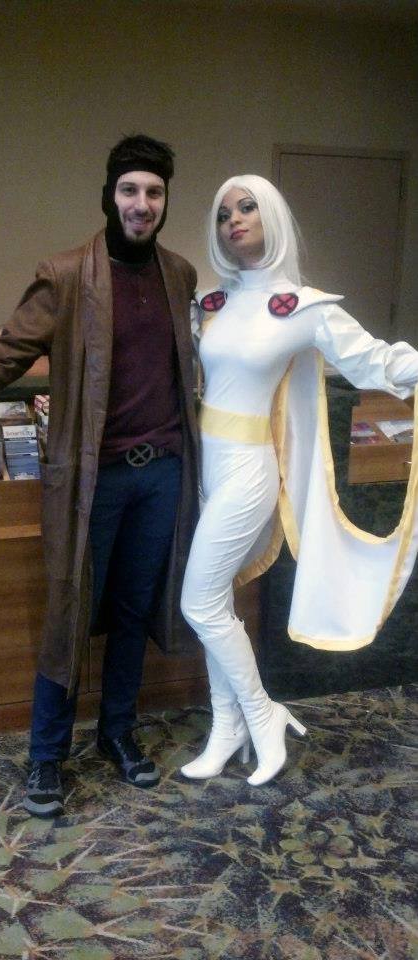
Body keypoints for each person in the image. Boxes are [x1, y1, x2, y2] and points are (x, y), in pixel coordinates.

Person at [0, 134, 199, 817]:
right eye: (129, 190)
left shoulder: (179, 275)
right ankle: (46, 755)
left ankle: (117, 732)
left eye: (153, 192)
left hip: (161, 474)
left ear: (164, 201)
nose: (141, 203)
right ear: (109, 195)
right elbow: (3, 356)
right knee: (68, 612)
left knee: (133, 609)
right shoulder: (66, 276)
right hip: (93, 480)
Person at [180, 174, 418, 787]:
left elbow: (377, 361)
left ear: (273, 216)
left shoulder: (306, 308)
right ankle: (226, 726)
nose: (233, 220)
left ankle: (261, 714)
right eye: (223, 213)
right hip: (205, 468)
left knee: (198, 602)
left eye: (247, 208)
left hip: (249, 470)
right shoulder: (210, 304)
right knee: (214, 600)